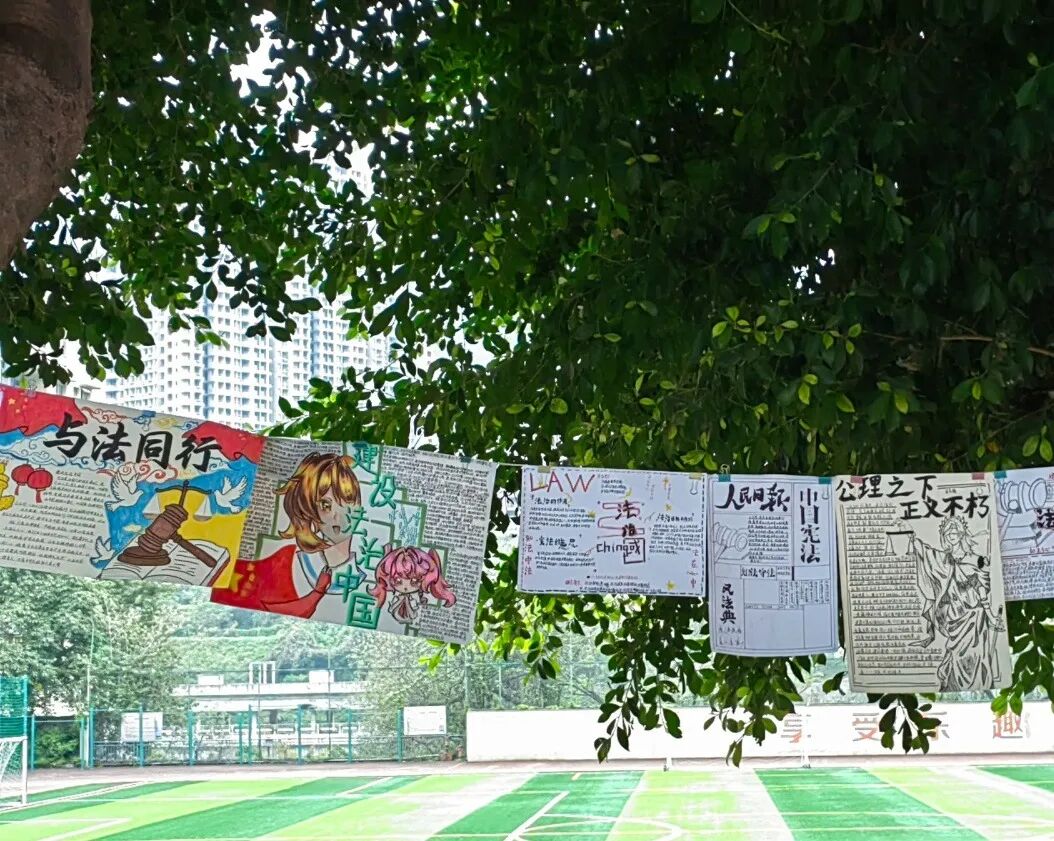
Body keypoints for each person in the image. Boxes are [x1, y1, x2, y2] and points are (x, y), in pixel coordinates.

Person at [211, 452, 366, 619]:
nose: (339, 515)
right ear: (310, 513)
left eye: (349, 499)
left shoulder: (373, 581)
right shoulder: (285, 564)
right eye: (325, 505)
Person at [908, 515, 1006, 690]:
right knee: (955, 655)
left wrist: (991, 615)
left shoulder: (976, 559)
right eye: (948, 533)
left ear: (961, 534)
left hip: (974, 618)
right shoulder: (944, 559)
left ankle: (977, 684)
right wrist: (913, 539)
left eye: (955, 532)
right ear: (944, 536)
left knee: (975, 657)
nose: (951, 536)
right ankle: (953, 684)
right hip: (954, 617)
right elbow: (928, 554)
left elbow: (981, 588)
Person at [368, 545, 455, 624]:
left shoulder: (415, 599)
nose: (405, 587)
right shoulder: (396, 598)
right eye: (398, 581)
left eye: (414, 581)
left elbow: (414, 610)